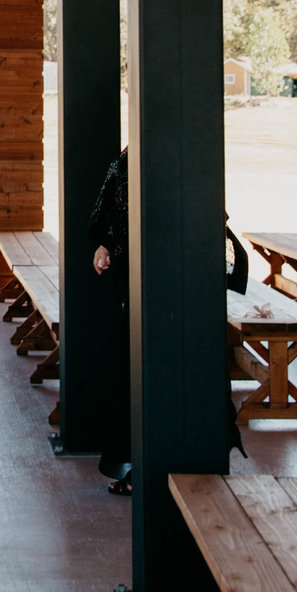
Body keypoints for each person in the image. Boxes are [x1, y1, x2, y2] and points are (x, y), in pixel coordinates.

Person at [87, 147, 247, 495]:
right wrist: (104, 246)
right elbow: (112, 210)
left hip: (186, 288)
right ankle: (141, 468)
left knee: (182, 376)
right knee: (141, 378)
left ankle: (188, 465)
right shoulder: (128, 158)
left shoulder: (189, 149)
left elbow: (211, 219)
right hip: (143, 288)